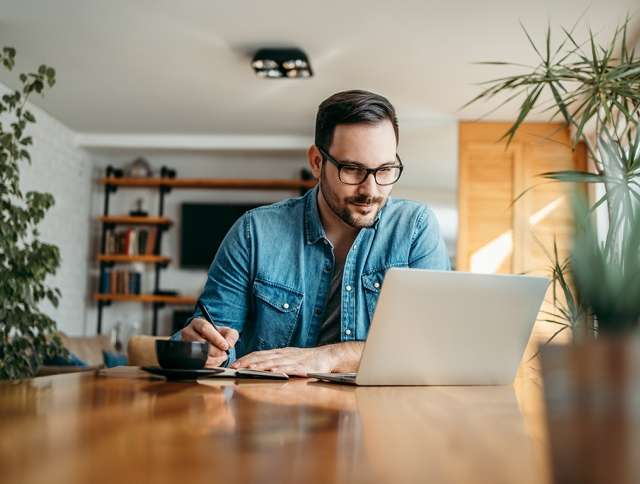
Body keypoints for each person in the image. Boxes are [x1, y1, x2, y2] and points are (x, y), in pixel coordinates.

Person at [176, 89, 450, 376]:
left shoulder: (415, 228)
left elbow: (434, 346)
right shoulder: (253, 233)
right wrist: (204, 348)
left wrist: (331, 357)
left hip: (379, 416)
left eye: (384, 170)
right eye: (352, 169)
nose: (371, 190)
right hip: (268, 414)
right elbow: (210, 340)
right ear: (317, 162)